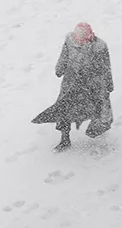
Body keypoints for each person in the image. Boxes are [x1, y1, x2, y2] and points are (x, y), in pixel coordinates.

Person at [32, 22, 114, 151]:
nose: (79, 43)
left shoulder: (100, 47)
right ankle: (65, 140)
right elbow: (64, 54)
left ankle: (97, 129)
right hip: (70, 83)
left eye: (82, 41)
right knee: (63, 109)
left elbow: (105, 67)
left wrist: (109, 83)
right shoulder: (70, 40)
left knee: (98, 107)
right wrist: (60, 68)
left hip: (91, 84)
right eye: (78, 40)